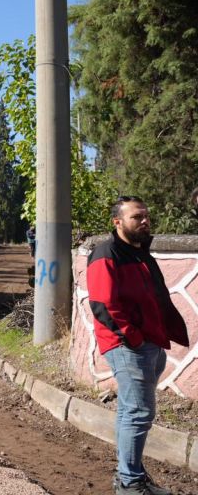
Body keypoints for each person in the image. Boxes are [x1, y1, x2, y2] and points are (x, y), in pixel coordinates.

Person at [87, 196, 187, 495]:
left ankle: (129, 475)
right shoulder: (106, 253)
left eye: (146, 215)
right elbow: (103, 305)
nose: (144, 220)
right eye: (136, 217)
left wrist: (153, 338)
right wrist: (134, 339)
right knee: (139, 413)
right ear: (117, 222)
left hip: (149, 343)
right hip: (128, 346)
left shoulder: (140, 252)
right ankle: (130, 484)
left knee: (130, 412)